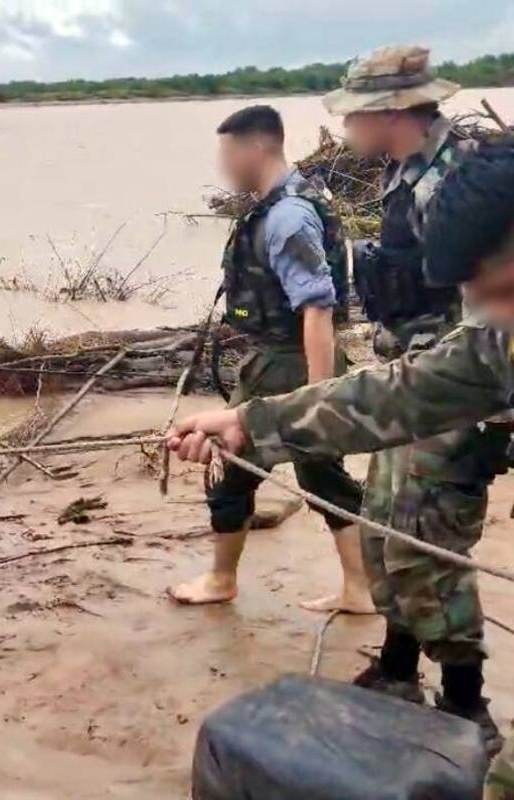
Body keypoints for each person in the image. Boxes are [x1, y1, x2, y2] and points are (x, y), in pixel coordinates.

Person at [166, 138, 514, 757]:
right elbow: (399, 393)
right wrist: (250, 423)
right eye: (478, 295)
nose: (491, 312)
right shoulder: (495, 339)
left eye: (504, 290)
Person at [326, 44, 502, 710]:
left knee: (435, 543)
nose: (347, 130)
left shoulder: (454, 181)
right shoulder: (405, 174)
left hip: (449, 395)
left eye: (355, 115)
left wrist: (486, 420)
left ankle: (465, 702)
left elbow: (488, 311)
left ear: (389, 111)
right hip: (408, 381)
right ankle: (399, 668)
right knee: (389, 530)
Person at [165, 106, 368, 612]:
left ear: (256, 149)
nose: (223, 165)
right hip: (281, 360)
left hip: (289, 364)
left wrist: (318, 396)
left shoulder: (287, 216)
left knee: (231, 467)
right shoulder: (291, 200)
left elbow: (317, 306)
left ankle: (221, 580)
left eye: (227, 153)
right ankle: (360, 588)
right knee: (320, 474)